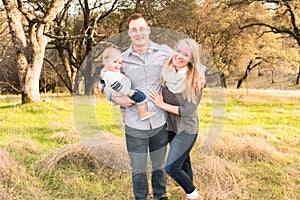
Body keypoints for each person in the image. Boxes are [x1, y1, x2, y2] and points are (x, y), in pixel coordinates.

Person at [105, 13, 172, 200]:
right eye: (134, 29)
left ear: (148, 30)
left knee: (159, 164)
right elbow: (107, 85)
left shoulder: (164, 52)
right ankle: (141, 197)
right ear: (129, 33)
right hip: (135, 123)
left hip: (159, 120)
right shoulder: (122, 59)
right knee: (139, 168)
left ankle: (160, 196)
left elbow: (188, 60)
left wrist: (200, 75)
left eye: (142, 28)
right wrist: (119, 100)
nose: (138, 33)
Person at [149, 38, 206, 200]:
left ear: (191, 59)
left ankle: (195, 196)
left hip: (187, 129)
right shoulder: (168, 68)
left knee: (172, 167)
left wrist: (161, 104)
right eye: (178, 51)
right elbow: (154, 45)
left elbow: (187, 111)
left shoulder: (194, 80)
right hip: (171, 128)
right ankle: (190, 196)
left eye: (185, 54)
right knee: (184, 163)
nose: (179, 56)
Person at [100, 47, 154, 121]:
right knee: (140, 96)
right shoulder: (110, 75)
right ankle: (143, 113)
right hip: (123, 91)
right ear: (106, 61)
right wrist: (128, 92)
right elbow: (116, 86)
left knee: (123, 106)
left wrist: (101, 88)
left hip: (121, 92)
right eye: (114, 62)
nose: (118, 65)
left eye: (120, 63)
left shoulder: (104, 71)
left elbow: (102, 81)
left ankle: (124, 119)